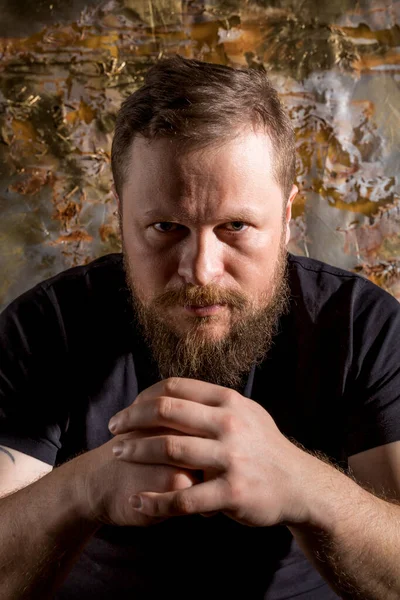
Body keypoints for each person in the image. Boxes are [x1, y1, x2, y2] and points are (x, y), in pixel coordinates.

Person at [0, 55, 400, 600]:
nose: (199, 270)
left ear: (287, 218)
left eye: (235, 226)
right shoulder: (42, 328)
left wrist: (303, 486)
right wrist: (86, 487)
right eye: (166, 227)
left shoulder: (363, 327)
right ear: (120, 216)